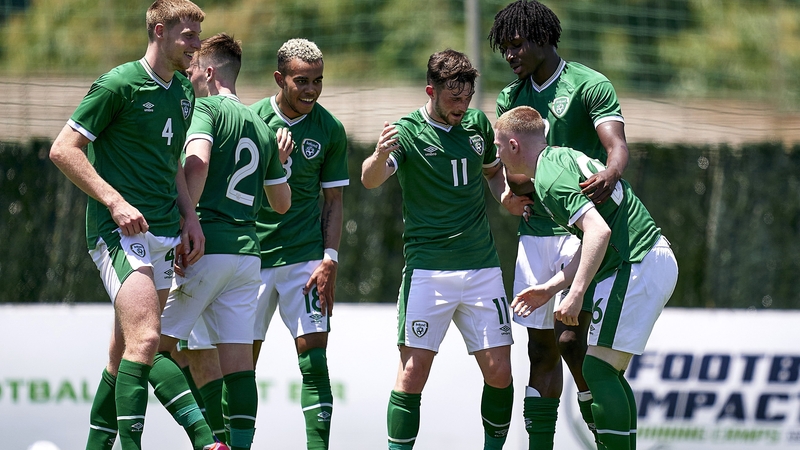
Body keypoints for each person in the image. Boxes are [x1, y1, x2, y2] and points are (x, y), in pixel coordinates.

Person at [48, 1, 226, 449]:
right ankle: (206, 441)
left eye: (197, 37)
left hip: (166, 230)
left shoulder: (184, 93)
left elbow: (171, 167)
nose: (195, 46)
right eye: (188, 36)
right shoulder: (119, 84)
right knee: (148, 340)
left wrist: (191, 218)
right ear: (160, 32)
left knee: (122, 352)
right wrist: (114, 201)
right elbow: (63, 150)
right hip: (121, 233)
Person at [488, 1, 630, 448]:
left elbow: (617, 146)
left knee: (573, 341)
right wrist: (508, 195)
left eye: (517, 45)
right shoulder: (510, 99)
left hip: (581, 231)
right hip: (535, 234)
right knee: (540, 350)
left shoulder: (588, 84)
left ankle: (596, 415)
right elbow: (505, 166)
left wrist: (610, 173)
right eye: (504, 49)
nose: (511, 56)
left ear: (543, 38)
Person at [494, 105, 678, 450]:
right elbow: (589, 240)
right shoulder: (558, 159)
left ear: (515, 145)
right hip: (647, 259)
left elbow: (599, 231)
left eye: (499, 145)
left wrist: (576, 294)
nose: (498, 153)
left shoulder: (547, 180)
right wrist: (551, 288)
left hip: (634, 262)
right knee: (606, 370)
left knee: (597, 371)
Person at [361, 49, 516, 450]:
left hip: (482, 267)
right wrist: (378, 155)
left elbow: (492, 173)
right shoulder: (407, 131)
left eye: (466, 98)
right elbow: (369, 180)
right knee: (412, 374)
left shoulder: (478, 124)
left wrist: (505, 198)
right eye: (452, 99)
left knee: (500, 372)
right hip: (429, 271)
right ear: (431, 90)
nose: (461, 107)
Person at [159, 33, 292, 450]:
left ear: (210, 71)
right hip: (246, 257)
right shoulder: (261, 124)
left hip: (207, 248)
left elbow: (196, 164)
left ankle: (203, 441)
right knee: (239, 369)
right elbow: (282, 203)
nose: (190, 72)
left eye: (195, 67)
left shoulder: (206, 108)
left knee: (148, 346)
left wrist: (187, 219)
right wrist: (280, 162)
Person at [249, 38, 349, 450]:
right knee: (238, 365)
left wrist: (329, 259)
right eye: (302, 81)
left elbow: (334, 201)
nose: (311, 90)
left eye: (318, 81)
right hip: (249, 259)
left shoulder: (329, 129)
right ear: (280, 78)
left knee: (314, 361)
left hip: (304, 261)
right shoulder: (249, 120)